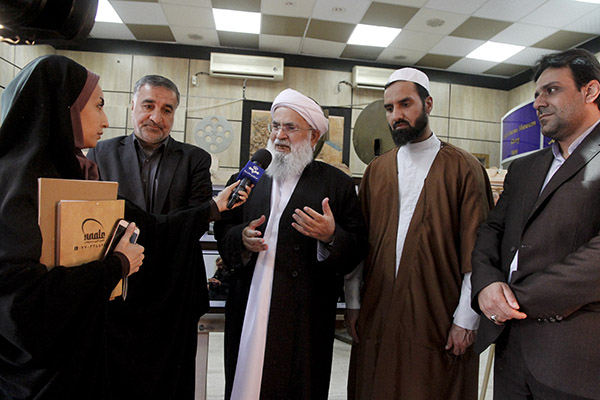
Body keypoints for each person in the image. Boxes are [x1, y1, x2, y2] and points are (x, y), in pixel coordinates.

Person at [0, 55, 144, 400]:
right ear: (64, 106)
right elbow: (22, 307)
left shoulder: (65, 172)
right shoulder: (16, 186)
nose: (106, 120)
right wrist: (116, 266)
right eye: (98, 105)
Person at [346, 67, 494, 400]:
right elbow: (359, 247)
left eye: (405, 104)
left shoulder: (464, 169)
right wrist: (353, 304)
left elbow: (477, 253)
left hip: (436, 316)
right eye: (389, 108)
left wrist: (466, 319)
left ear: (428, 104)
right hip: (378, 311)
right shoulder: (376, 171)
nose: (396, 115)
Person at [86, 76, 238, 399]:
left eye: (167, 110)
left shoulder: (195, 160)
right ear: (132, 106)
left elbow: (196, 226)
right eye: (148, 105)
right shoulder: (100, 154)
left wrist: (198, 215)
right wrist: (205, 211)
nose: (156, 117)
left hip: (174, 295)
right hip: (120, 294)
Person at [214, 88, 367, 400]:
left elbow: (357, 248)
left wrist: (330, 236)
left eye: (290, 127)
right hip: (250, 300)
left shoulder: (336, 184)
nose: (279, 135)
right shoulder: (250, 176)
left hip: (304, 311)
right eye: (275, 126)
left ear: (313, 137)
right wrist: (241, 238)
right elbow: (223, 228)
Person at [471, 48, 600, 399]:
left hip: (574, 360)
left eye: (552, 90)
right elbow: (492, 230)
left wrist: (514, 299)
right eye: (537, 93)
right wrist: (486, 285)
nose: (539, 103)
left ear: (590, 91)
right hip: (511, 353)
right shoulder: (525, 168)